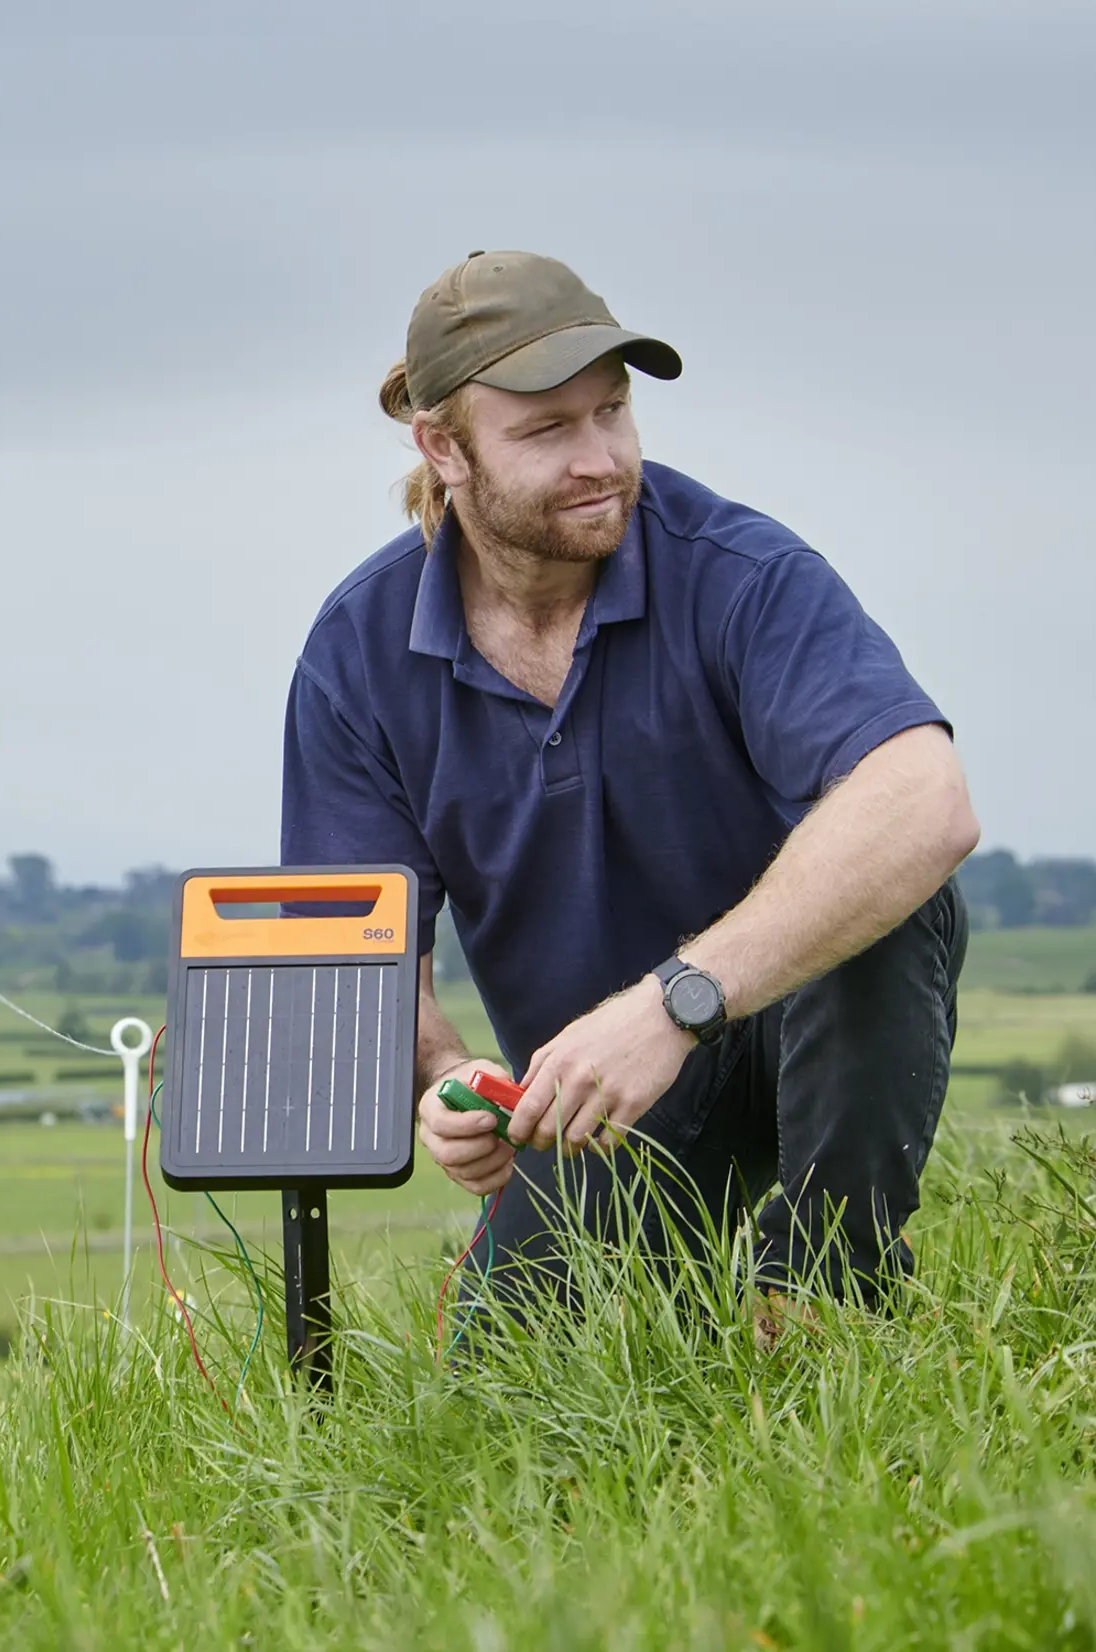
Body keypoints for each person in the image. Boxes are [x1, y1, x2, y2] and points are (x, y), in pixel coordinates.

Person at [280, 250, 978, 1315]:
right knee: (509, 1398)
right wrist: (443, 1082)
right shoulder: (356, 650)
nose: (598, 457)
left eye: (610, 412)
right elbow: (359, 947)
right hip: (590, 1102)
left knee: (890, 883)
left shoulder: (741, 575)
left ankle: (821, 1302)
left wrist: (673, 1003)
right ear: (441, 447)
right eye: (547, 430)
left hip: (783, 1027)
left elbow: (925, 797)